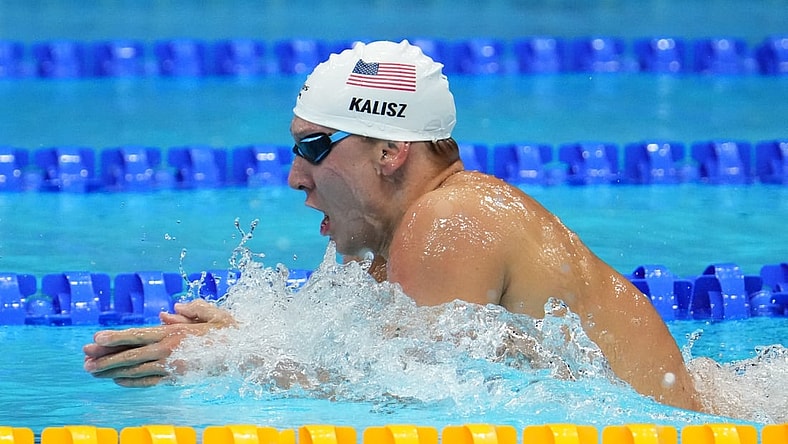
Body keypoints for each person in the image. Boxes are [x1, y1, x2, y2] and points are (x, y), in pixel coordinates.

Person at [83, 40, 702, 412]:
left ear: (390, 151)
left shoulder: (451, 218)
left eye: (316, 148)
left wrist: (228, 362)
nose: (297, 177)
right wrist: (244, 338)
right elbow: (399, 365)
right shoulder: (411, 237)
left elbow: (419, 399)